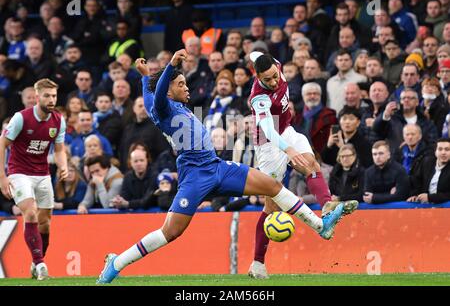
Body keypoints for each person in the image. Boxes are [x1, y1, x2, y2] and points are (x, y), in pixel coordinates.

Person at [96, 50, 346, 284]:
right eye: (181, 84)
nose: (187, 88)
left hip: (216, 167)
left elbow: (151, 91)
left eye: (185, 82)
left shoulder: (169, 102)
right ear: (169, 90)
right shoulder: (162, 109)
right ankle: (116, 263)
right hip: (194, 177)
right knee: (170, 232)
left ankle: (320, 225)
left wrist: (143, 76)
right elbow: (157, 95)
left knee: (272, 186)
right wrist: (171, 65)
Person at [246, 52, 358, 280]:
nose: (274, 82)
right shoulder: (259, 98)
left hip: (286, 129)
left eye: (275, 76)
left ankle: (326, 206)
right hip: (268, 146)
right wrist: (288, 150)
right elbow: (268, 131)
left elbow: (255, 54)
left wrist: (255, 55)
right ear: (257, 77)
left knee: (311, 164)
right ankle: (257, 263)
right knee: (271, 208)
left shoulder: (274, 63)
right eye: (267, 80)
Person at [0, 78, 68, 280]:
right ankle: (41, 265)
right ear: (37, 97)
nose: (51, 99)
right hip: (19, 173)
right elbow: (2, 144)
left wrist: (63, 165)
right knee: (30, 213)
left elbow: (59, 150)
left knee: (45, 224)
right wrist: (2, 177)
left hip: (42, 174)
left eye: (54, 96)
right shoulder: (20, 118)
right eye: (47, 95)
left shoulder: (58, 120)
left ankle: (35, 261)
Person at [408, 137, 450, 204]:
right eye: (440, 149)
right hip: (425, 206)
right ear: (435, 152)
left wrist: (430, 197)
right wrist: (414, 195)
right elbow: (416, 181)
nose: (443, 152)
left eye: (447, 149)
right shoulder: (427, 162)